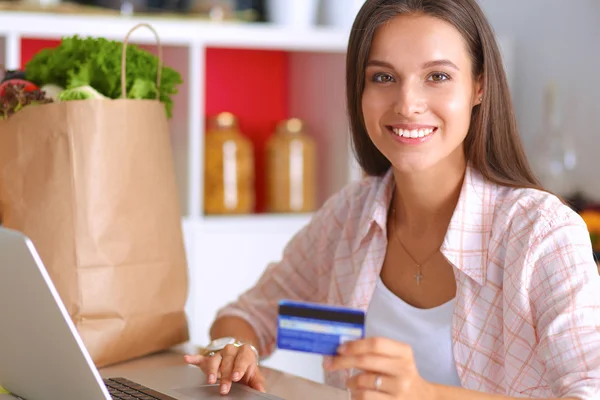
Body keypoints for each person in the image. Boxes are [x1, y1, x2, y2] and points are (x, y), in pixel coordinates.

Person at [184, 0, 600, 398]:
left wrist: (427, 395)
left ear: (479, 86)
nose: (407, 104)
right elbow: (254, 315)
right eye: (383, 77)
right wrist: (234, 348)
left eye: (437, 76)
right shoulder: (350, 217)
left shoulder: (541, 234)